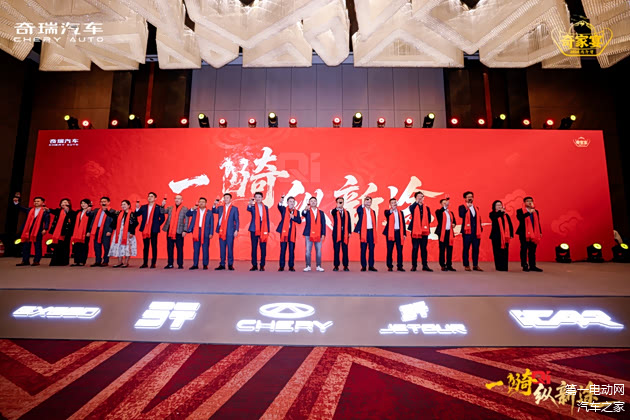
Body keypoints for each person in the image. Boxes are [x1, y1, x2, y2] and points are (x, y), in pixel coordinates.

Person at [14, 196, 50, 266]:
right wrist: (16, 203)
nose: (36, 202)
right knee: (26, 246)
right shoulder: (30, 210)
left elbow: (47, 221)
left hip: (38, 230)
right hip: (27, 230)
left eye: (38, 201)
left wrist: (45, 229)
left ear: (43, 203)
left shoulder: (45, 211)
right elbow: (21, 208)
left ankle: (36, 261)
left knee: (37, 246)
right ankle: (25, 261)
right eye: (35, 201)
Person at [135, 192, 165, 268]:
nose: (150, 198)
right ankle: (145, 263)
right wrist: (137, 208)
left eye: (151, 196)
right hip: (145, 229)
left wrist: (157, 225)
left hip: (153, 229)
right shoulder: (144, 207)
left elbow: (162, 218)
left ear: (155, 198)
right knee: (145, 247)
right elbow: (136, 215)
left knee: (154, 246)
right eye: (149, 196)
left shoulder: (158, 207)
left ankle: (153, 263)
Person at [107, 200, 138, 268]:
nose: (123, 206)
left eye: (124, 204)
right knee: (118, 246)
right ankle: (119, 262)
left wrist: (132, 232)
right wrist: (106, 210)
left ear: (129, 205)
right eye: (122, 204)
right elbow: (111, 216)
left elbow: (135, 224)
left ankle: (126, 262)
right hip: (119, 233)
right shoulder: (118, 213)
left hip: (127, 232)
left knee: (127, 247)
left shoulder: (132, 214)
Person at [161, 194, 188, 269]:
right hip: (170, 231)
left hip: (179, 231)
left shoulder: (185, 209)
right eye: (176, 198)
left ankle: (180, 264)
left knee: (179, 248)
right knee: (169, 248)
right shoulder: (170, 208)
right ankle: (170, 264)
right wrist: (162, 205)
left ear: (182, 200)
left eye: (179, 199)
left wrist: (185, 230)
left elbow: (186, 220)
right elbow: (162, 211)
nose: (177, 200)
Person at [213, 193, 239, 270]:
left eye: (227, 198)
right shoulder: (220, 208)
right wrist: (214, 205)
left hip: (230, 231)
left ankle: (230, 264)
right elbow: (214, 211)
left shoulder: (234, 209)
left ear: (231, 199)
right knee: (222, 248)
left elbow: (237, 220)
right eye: (224, 198)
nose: (226, 199)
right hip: (221, 230)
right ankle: (222, 264)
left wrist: (236, 230)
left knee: (230, 248)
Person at [516, 196, 543, 272]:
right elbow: (520, 218)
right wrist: (528, 213)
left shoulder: (535, 211)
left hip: (534, 233)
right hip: (524, 233)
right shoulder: (520, 211)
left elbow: (537, 222)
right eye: (528, 201)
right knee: (524, 249)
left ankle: (532, 265)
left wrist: (540, 232)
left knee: (532, 250)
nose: (530, 202)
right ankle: (524, 265)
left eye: (531, 201)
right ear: (524, 203)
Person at [408, 191, 433, 272]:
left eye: (421, 196)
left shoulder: (426, 208)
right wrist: (416, 202)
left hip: (424, 231)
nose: (420, 198)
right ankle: (414, 265)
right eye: (418, 196)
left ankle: (425, 265)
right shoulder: (413, 206)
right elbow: (411, 209)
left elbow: (429, 219)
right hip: (415, 231)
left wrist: (424, 225)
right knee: (415, 248)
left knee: (424, 249)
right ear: (415, 198)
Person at [186, 197, 214, 270]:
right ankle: (195, 264)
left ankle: (205, 264)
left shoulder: (209, 212)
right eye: (200, 202)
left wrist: (211, 233)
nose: (201, 203)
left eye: (203, 202)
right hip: (196, 231)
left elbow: (212, 223)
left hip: (205, 232)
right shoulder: (195, 211)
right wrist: (192, 208)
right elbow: (187, 214)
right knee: (196, 249)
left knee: (205, 249)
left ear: (206, 203)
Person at [276, 195, 302, 271]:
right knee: (283, 249)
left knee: (291, 250)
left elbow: (299, 221)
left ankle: (291, 266)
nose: (292, 203)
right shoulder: (284, 209)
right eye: (290, 201)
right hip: (284, 232)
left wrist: (293, 217)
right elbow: (279, 206)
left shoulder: (297, 212)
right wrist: (280, 201)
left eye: (293, 202)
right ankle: (281, 266)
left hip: (292, 232)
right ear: (287, 202)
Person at [459, 191, 483, 271]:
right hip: (467, 232)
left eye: (471, 197)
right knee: (466, 248)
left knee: (476, 249)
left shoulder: (476, 208)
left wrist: (480, 228)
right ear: (465, 198)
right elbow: (461, 215)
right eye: (468, 197)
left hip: (476, 232)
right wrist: (467, 207)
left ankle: (475, 265)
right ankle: (466, 265)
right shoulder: (462, 207)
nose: (470, 198)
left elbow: (478, 219)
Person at [87, 196, 114, 267]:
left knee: (106, 246)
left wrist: (110, 230)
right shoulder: (96, 210)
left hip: (106, 231)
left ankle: (105, 261)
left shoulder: (112, 211)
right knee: (97, 246)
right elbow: (89, 215)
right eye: (102, 202)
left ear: (108, 202)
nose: (103, 203)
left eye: (105, 201)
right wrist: (88, 210)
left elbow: (113, 222)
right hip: (96, 230)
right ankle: (98, 261)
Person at [247, 192, 270, 271]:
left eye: (259, 197)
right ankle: (254, 265)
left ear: (262, 198)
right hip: (254, 229)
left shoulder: (265, 207)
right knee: (254, 247)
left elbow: (267, 219)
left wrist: (268, 230)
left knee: (263, 248)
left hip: (263, 229)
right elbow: (248, 208)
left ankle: (262, 265)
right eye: (256, 197)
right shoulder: (252, 207)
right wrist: (250, 204)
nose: (258, 198)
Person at [48, 198, 74, 266]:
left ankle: (64, 261)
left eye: (65, 202)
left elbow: (72, 221)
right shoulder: (58, 211)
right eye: (62, 202)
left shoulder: (71, 212)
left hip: (66, 232)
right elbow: (51, 211)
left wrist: (67, 212)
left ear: (69, 204)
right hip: (57, 232)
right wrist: (46, 209)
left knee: (65, 246)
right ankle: (56, 261)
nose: (63, 204)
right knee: (57, 246)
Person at [302, 196, 326, 272]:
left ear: (316, 202)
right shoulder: (307, 211)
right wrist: (305, 209)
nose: (313, 202)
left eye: (314, 201)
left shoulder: (321, 212)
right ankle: (308, 266)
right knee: (308, 251)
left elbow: (323, 224)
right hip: (308, 234)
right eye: (311, 201)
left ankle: (318, 266)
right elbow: (303, 214)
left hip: (318, 234)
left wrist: (323, 234)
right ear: (309, 202)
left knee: (318, 251)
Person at [489, 200, 514, 271]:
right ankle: (498, 266)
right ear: (494, 207)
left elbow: (510, 225)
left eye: (500, 205)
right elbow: (494, 218)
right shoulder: (492, 214)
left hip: (505, 236)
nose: (499, 206)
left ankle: (504, 266)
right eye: (497, 205)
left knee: (505, 251)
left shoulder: (506, 215)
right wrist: (501, 212)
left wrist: (511, 234)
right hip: (496, 236)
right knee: (497, 251)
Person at [383, 198, 407, 271]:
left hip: (399, 233)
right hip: (390, 233)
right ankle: (390, 266)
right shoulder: (387, 212)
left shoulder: (400, 212)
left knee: (400, 250)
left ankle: (400, 266)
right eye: (392, 203)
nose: (394, 204)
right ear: (390, 204)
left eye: (395, 202)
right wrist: (392, 210)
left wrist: (404, 234)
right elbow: (387, 214)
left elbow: (403, 223)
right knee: (390, 250)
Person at [355, 196, 377, 272]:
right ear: (364, 202)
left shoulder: (373, 211)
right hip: (364, 231)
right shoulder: (361, 210)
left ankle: (371, 266)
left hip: (371, 232)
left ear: (371, 203)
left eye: (369, 201)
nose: (368, 203)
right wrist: (363, 204)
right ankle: (363, 266)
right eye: (367, 201)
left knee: (371, 249)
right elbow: (358, 209)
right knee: (363, 249)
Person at [434, 198, 457, 271]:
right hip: (442, 233)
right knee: (442, 249)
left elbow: (454, 221)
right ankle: (442, 265)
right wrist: (444, 207)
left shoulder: (450, 212)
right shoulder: (438, 211)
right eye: (444, 203)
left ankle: (449, 264)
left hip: (449, 233)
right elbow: (439, 217)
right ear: (441, 204)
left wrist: (454, 224)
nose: (446, 204)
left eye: (446, 203)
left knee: (449, 249)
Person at [331, 197, 352, 271]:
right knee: (336, 250)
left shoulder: (347, 212)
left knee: (345, 250)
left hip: (345, 233)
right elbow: (333, 212)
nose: (340, 203)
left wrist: (349, 232)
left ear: (343, 203)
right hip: (336, 234)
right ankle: (336, 266)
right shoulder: (334, 211)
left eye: (341, 202)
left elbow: (349, 222)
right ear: (336, 203)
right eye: (338, 202)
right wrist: (337, 208)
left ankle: (345, 265)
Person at [70, 199, 92, 266]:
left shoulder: (91, 213)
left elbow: (91, 223)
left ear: (88, 204)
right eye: (82, 203)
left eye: (85, 203)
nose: (83, 205)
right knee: (76, 246)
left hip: (85, 232)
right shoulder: (78, 212)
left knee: (84, 247)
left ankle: (82, 261)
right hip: (77, 232)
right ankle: (76, 261)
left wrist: (89, 231)